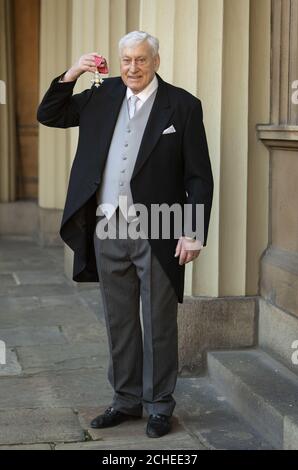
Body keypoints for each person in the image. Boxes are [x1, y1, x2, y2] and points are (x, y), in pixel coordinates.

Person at [37, 30, 214, 438]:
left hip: (160, 226)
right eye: (126, 60)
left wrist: (192, 232)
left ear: (155, 61)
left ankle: (159, 406)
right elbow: (50, 114)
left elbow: (199, 177)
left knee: (158, 321)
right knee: (118, 320)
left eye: (141, 60)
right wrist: (73, 73)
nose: (133, 68)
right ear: (119, 63)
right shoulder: (102, 94)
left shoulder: (183, 106)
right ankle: (125, 400)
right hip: (106, 224)